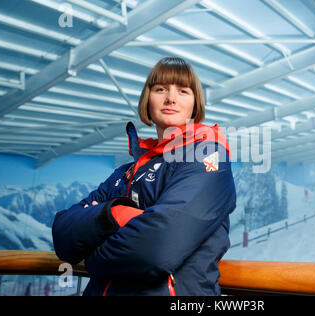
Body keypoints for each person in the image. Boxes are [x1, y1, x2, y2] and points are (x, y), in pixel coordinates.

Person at [52, 57, 236, 296]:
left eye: (182, 91)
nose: (171, 98)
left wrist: (92, 259)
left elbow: (156, 249)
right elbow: (63, 234)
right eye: (160, 89)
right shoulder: (126, 171)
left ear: (195, 104)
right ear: (147, 100)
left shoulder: (209, 158)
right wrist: (114, 214)